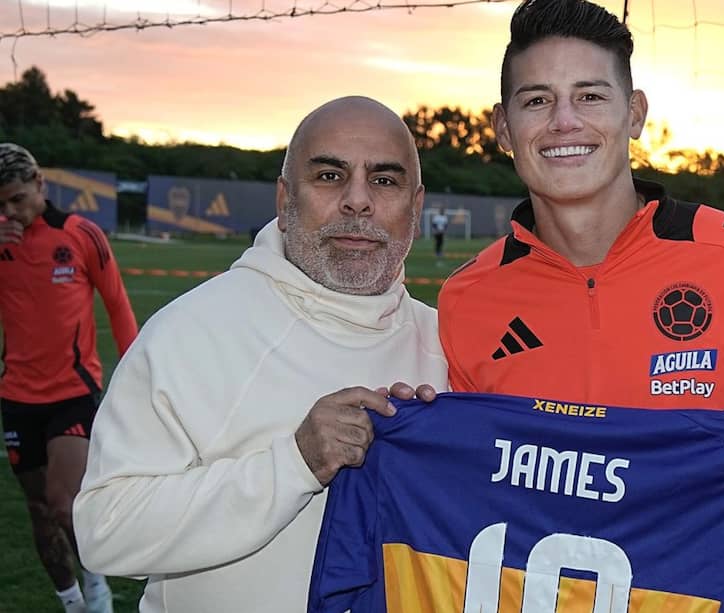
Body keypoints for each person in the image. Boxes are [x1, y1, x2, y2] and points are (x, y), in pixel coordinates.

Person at [437, 0, 724, 485]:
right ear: (504, 128)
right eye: (537, 101)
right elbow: (464, 467)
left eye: (590, 96)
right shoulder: (466, 298)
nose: (564, 121)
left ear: (634, 114)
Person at [72, 96, 448, 613]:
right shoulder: (191, 331)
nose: (358, 201)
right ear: (284, 199)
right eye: (330, 176)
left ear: (416, 207)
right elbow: (105, 531)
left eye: (384, 180)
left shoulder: (449, 344)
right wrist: (294, 464)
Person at [0, 143, 137, 613]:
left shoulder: (80, 234)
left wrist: (133, 374)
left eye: (17, 199)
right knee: (39, 510)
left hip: (72, 392)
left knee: (64, 503)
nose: (9, 212)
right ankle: (72, 601)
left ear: (40, 184)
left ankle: (96, 587)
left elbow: (117, 305)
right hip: (16, 396)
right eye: (0, 204)